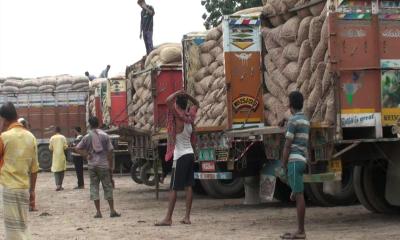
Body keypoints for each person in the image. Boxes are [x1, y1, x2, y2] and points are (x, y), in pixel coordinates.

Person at [155, 90, 199, 226]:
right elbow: (197, 103)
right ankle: (187, 217)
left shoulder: (178, 116)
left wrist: (178, 92)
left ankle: (168, 218)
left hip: (180, 156)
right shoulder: (190, 116)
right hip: (190, 153)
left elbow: (168, 101)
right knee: (188, 186)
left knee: (173, 188)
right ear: (186, 105)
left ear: (177, 106)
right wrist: (188, 95)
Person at [0, 102, 39, 239]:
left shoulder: (4, 137)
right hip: (24, 188)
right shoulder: (31, 137)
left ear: (3, 118)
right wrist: (32, 191)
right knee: (23, 226)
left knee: (12, 230)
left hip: (9, 188)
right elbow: (34, 169)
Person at [74, 116, 120, 218]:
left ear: (90, 125)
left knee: (94, 187)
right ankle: (112, 210)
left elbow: (77, 148)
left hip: (92, 165)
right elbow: (110, 150)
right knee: (107, 187)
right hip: (103, 165)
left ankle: (98, 212)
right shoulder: (105, 135)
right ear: (99, 123)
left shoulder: (86, 137)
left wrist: (86, 155)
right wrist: (110, 164)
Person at [280, 91, 310, 240]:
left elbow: (287, 145)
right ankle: (299, 229)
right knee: (296, 192)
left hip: (294, 160)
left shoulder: (293, 121)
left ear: (290, 105)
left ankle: (301, 231)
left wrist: (283, 165)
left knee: (299, 196)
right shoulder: (305, 120)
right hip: (302, 160)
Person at [17, 117, 38, 212]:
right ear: (26, 125)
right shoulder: (31, 136)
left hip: (16, 168)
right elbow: (34, 156)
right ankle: (31, 205)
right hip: (28, 166)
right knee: (31, 188)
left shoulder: (10, 135)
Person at [49, 127, 68, 191]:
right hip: (62, 156)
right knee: (62, 171)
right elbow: (65, 147)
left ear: (55, 131)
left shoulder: (52, 138)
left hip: (55, 157)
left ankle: (57, 186)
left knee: (56, 172)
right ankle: (61, 185)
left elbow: (50, 148)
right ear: (60, 131)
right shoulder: (63, 137)